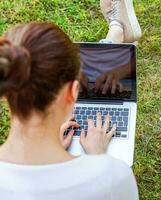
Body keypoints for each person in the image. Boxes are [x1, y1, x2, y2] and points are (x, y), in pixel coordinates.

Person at [0, 0, 141, 199]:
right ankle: (116, 33)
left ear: (6, 93)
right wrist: (98, 159)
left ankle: (116, 34)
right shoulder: (114, 177)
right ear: (72, 92)